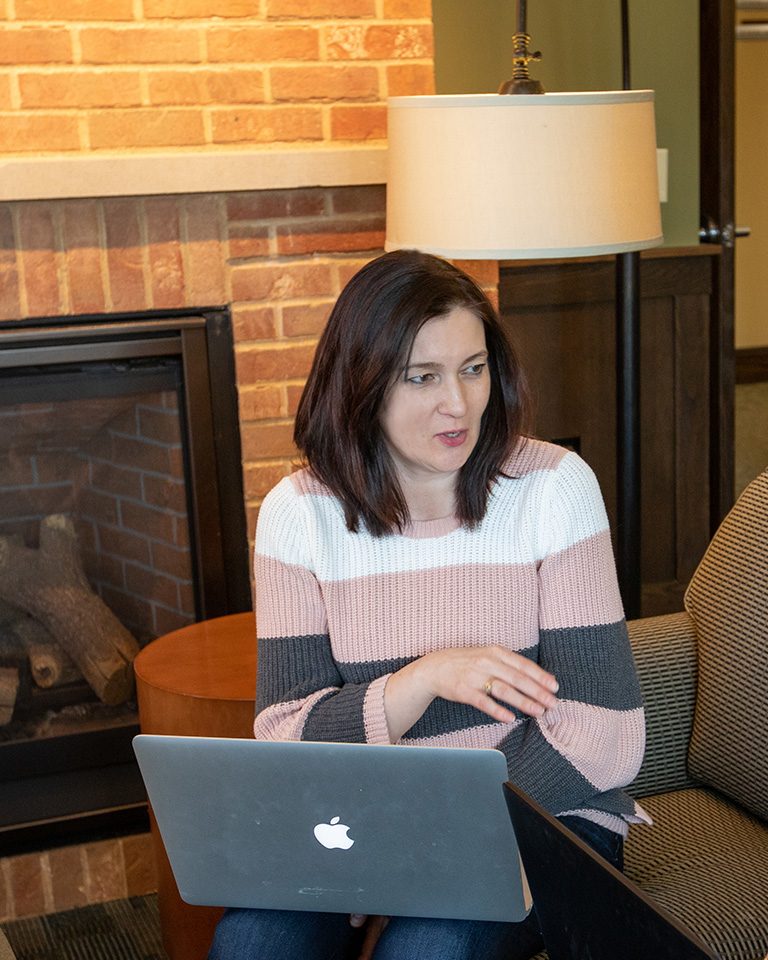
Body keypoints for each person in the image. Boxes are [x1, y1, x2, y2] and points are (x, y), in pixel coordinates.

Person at [208, 249, 648, 960]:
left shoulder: (553, 488)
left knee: (425, 950)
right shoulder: (299, 513)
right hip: (361, 825)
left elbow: (604, 732)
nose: (460, 404)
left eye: (474, 369)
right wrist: (420, 681)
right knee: (253, 942)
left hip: (546, 816)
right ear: (362, 385)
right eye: (423, 377)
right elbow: (287, 735)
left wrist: (429, 849)